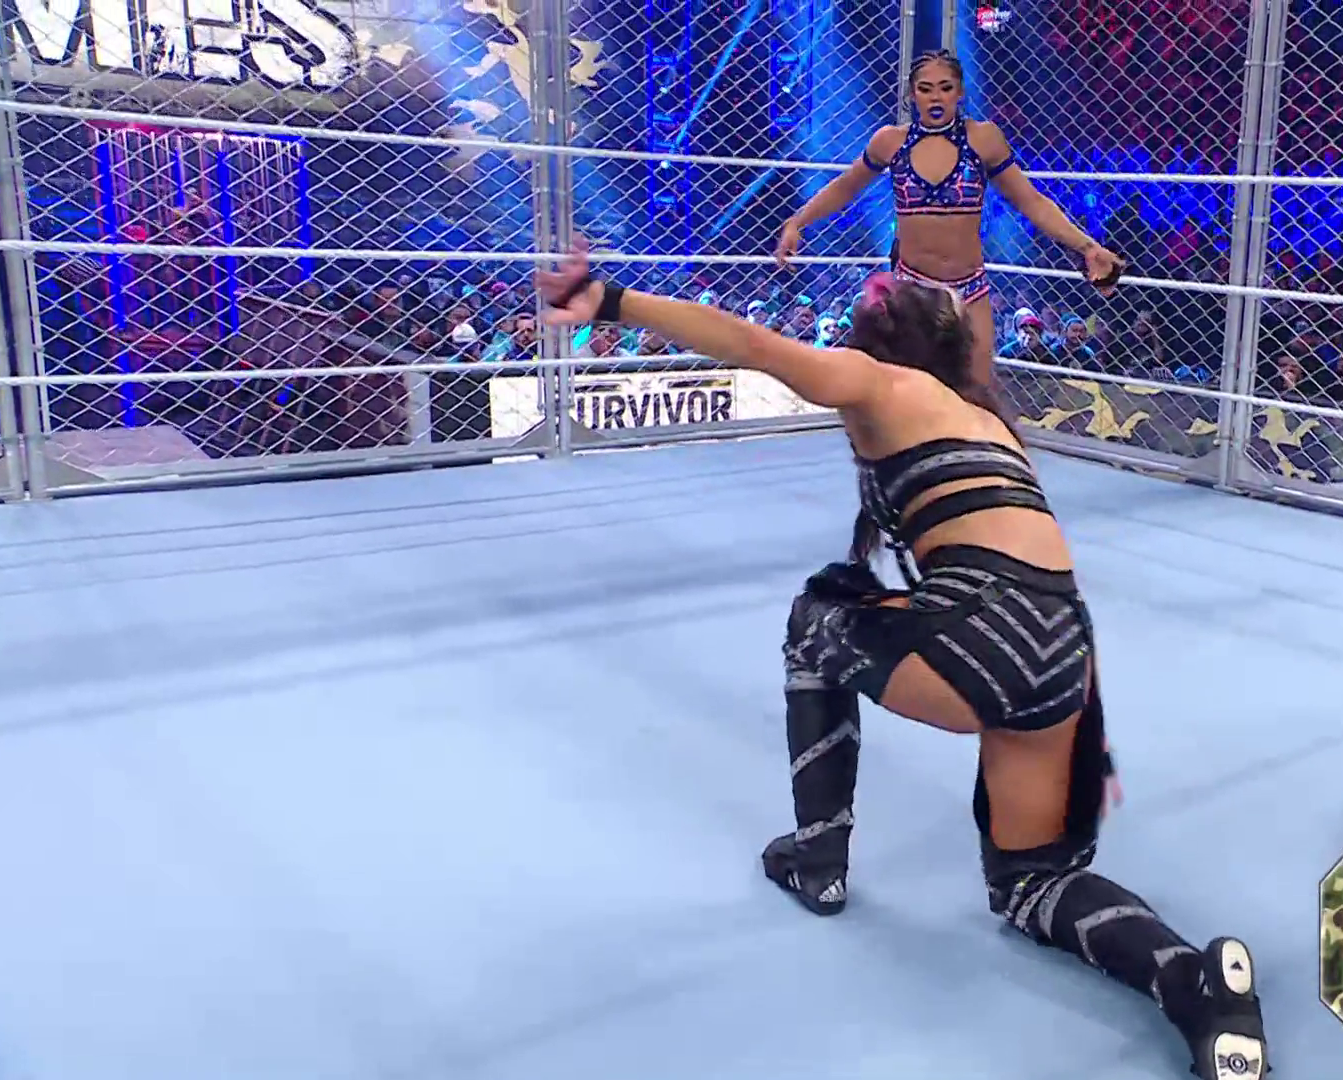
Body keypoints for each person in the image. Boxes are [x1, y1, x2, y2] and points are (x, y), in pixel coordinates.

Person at [538, 243, 1270, 1080]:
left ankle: (818, 857)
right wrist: (1083, 731)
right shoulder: (988, 423)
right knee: (1031, 883)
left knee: (816, 618)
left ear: (899, 342)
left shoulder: (881, 383)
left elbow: (753, 345)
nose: (882, 288)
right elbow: (1047, 575)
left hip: (987, 631)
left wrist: (611, 301)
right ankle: (1191, 982)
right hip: (1061, 653)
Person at [773, 49, 1126, 386]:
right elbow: (845, 186)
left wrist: (1087, 246)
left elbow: (1030, 200)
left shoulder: (983, 139)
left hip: (969, 288)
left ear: (959, 92)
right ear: (912, 94)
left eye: (945, 88)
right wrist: (797, 222)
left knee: (976, 393)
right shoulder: (890, 142)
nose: (936, 97)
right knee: (915, 396)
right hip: (914, 290)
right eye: (926, 89)